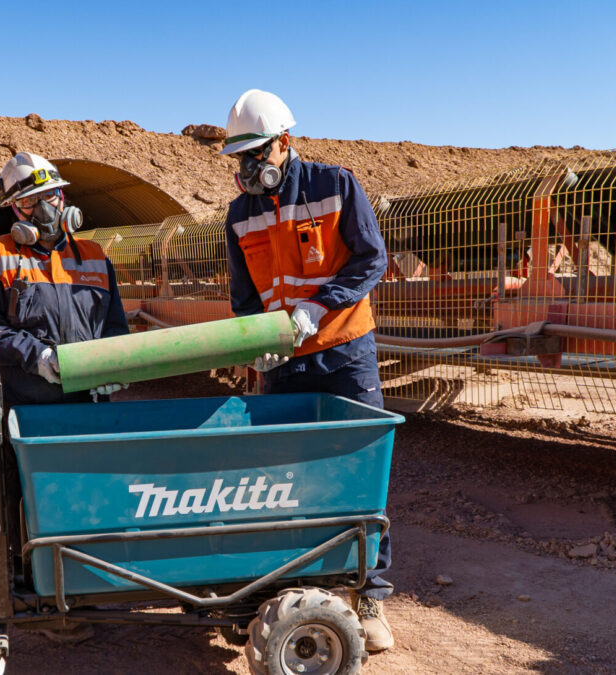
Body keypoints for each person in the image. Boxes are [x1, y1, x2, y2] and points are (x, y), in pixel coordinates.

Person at [220, 89, 394, 652]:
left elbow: (371, 259)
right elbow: (245, 298)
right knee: (280, 480)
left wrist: (317, 308)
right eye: (240, 158)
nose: (249, 168)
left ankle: (368, 593)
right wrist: (257, 342)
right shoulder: (239, 214)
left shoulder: (335, 186)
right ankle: (284, 587)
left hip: (344, 352)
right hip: (284, 362)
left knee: (360, 472)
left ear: (284, 142)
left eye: (256, 154)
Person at [0, 152, 129, 407]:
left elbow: (115, 324)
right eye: (29, 200)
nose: (43, 208)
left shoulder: (94, 255)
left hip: (90, 401)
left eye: (49, 194)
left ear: (62, 197)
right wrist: (36, 356)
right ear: (15, 208)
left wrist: (113, 364)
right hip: (23, 404)